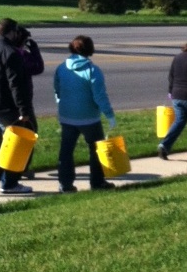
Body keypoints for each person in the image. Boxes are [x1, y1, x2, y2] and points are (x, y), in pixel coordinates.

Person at [54, 35, 117, 192]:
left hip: (67, 116)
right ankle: (97, 182)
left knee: (66, 151)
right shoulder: (93, 70)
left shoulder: (61, 68)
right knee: (96, 149)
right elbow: (99, 96)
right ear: (90, 49)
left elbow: (57, 91)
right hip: (89, 118)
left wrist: (63, 106)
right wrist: (109, 114)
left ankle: (65, 184)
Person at [0, 18, 35, 194]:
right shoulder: (11, 53)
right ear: (12, 32)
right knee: (19, 140)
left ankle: (2, 174)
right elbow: (16, 85)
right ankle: (10, 182)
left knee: (1, 140)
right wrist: (24, 111)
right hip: (8, 105)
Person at [14, 26, 44, 178]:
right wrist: (35, 50)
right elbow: (38, 68)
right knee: (29, 133)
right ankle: (22, 167)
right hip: (21, 102)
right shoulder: (20, 55)